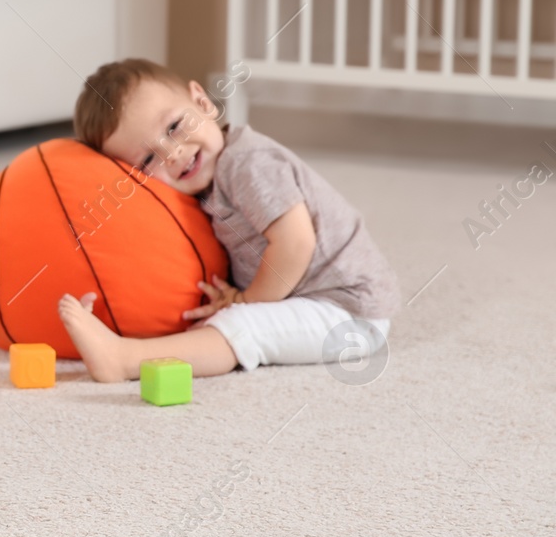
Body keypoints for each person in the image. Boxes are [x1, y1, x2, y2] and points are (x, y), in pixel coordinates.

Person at [56, 58, 400, 381]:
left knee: (242, 327)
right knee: (212, 323)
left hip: (348, 312)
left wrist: (247, 301)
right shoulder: (204, 182)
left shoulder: (247, 163)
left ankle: (125, 361)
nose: (173, 153)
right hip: (304, 298)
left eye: (174, 127)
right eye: (148, 159)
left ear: (202, 102)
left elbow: (295, 243)